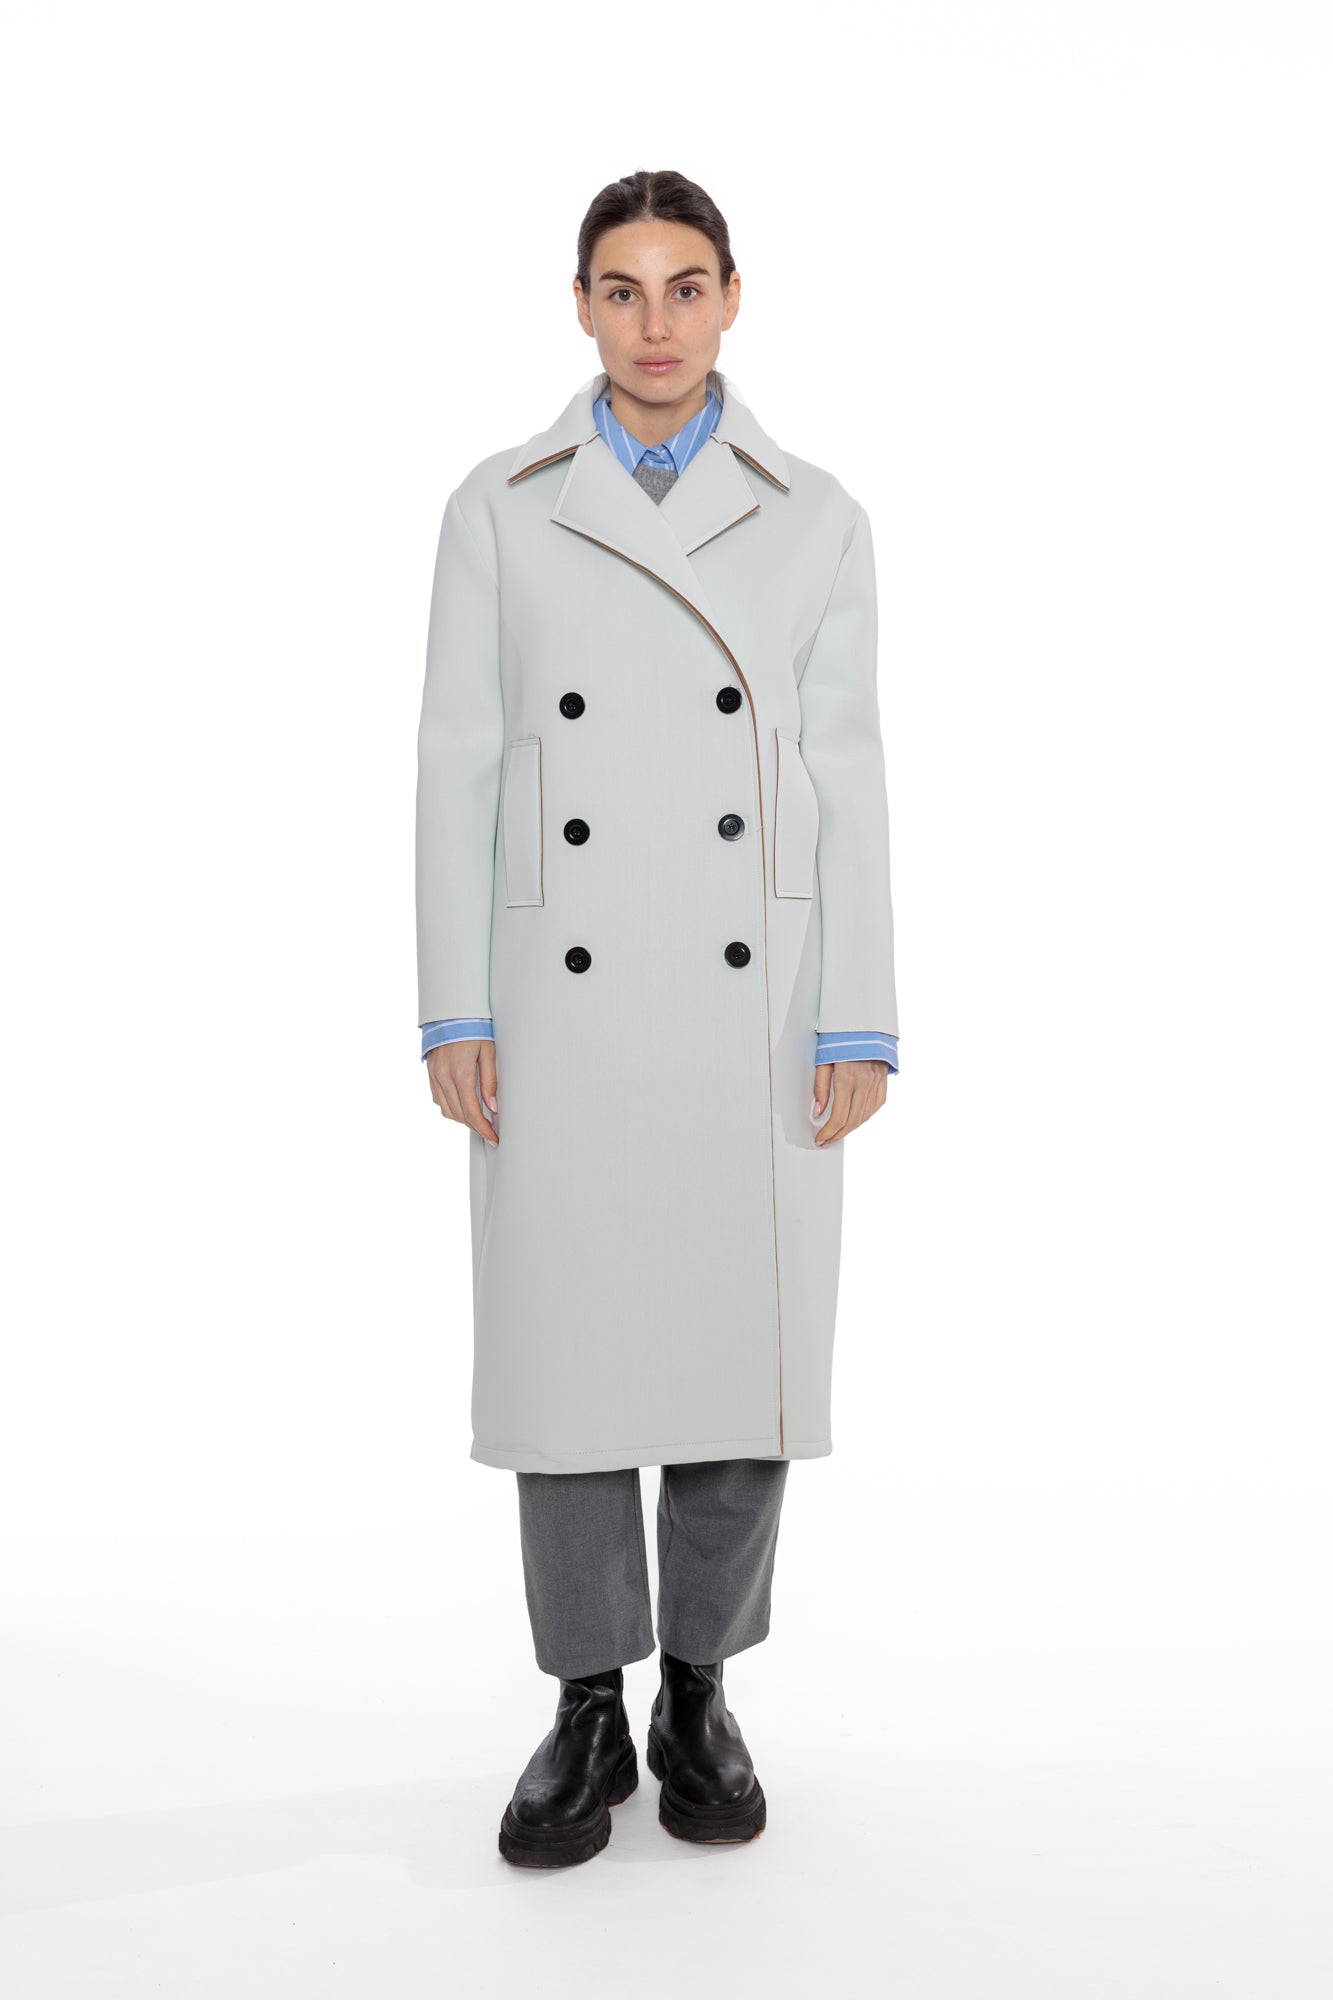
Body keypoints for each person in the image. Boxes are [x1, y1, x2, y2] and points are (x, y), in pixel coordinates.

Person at [415, 169, 899, 1867]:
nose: (654, 324)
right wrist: (453, 1005)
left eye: (684, 287)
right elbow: (457, 769)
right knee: (564, 1369)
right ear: (579, 306)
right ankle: (583, 1704)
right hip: (555, 1009)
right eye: (620, 290)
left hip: (750, 1006)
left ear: (732, 297)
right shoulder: (498, 506)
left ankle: (700, 1688)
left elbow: (846, 777)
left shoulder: (815, 515)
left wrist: (856, 1017)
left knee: (733, 1367)